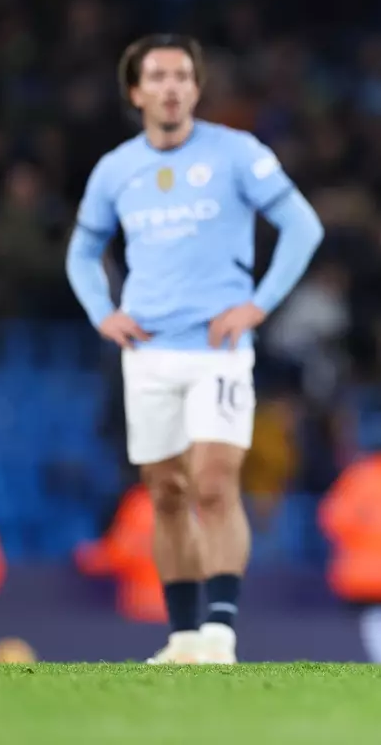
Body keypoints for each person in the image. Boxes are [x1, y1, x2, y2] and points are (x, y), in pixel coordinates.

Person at [66, 35, 324, 664]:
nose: (171, 86)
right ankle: (183, 637)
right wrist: (105, 314)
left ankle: (221, 632)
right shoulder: (115, 169)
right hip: (148, 353)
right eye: (157, 77)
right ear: (136, 92)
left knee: (213, 482)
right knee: (165, 493)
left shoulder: (237, 153)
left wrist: (257, 305)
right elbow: (80, 252)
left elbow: (303, 225)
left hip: (220, 347)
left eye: (182, 75)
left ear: (197, 88)